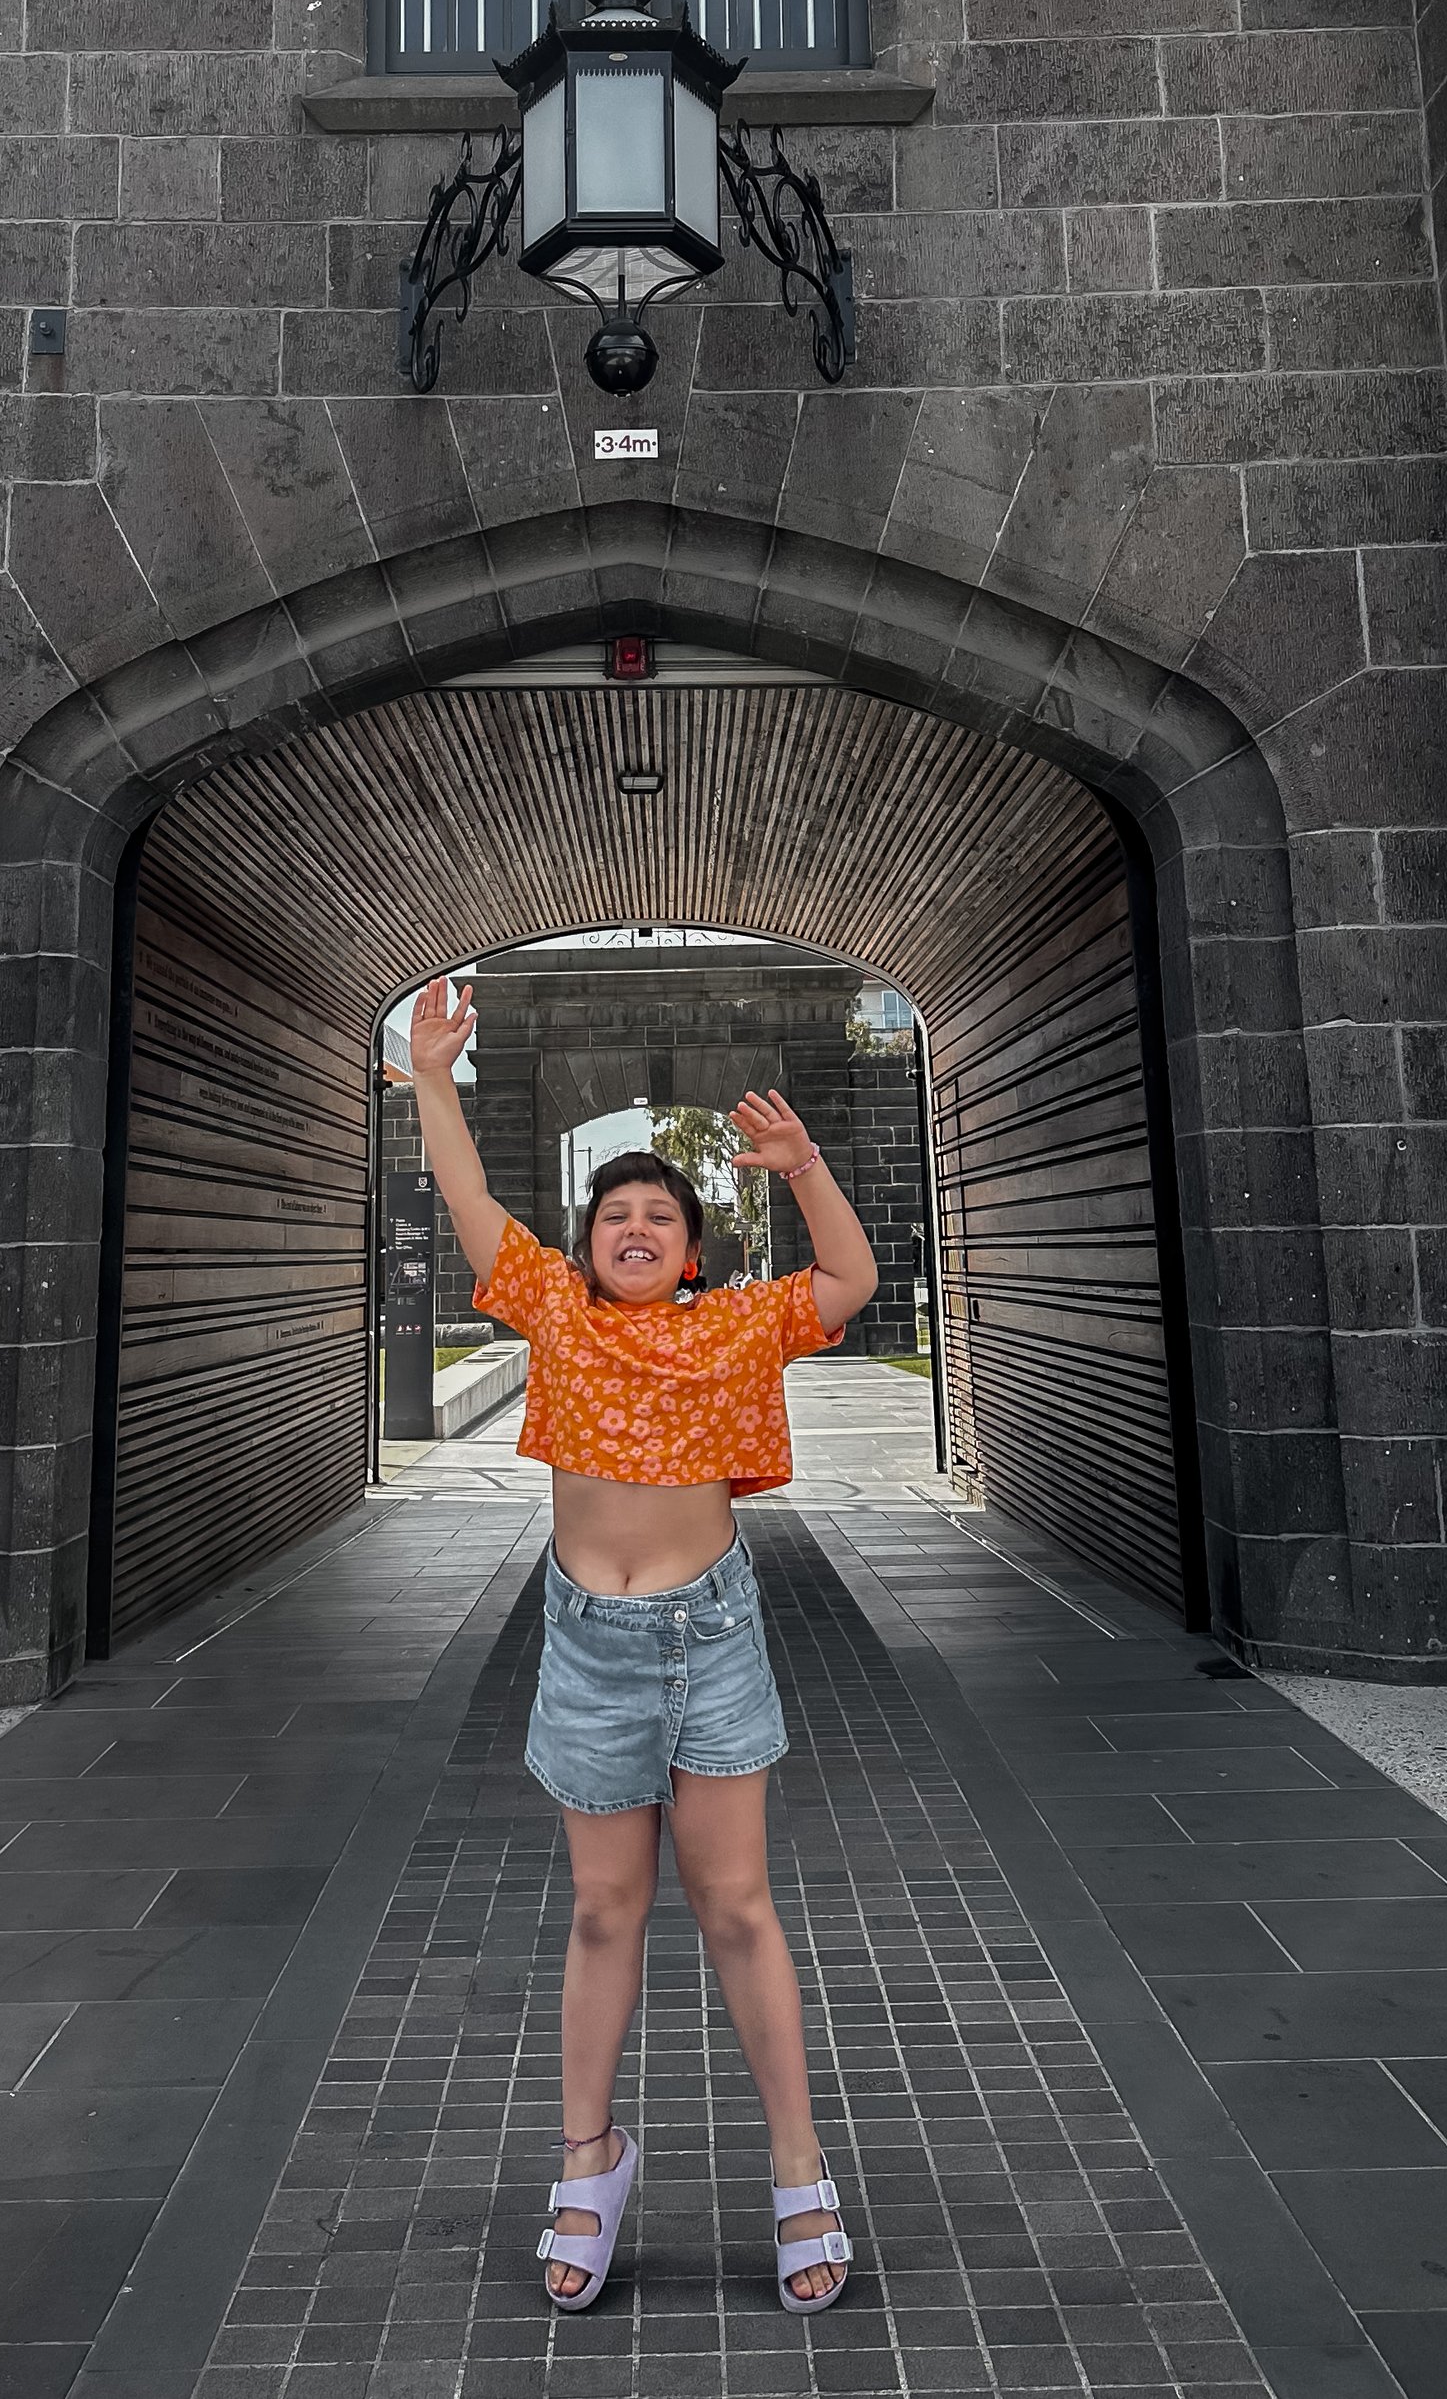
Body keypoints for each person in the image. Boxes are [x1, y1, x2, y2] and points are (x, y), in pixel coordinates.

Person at [404, 966, 880, 2316]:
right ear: (589, 1239)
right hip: (592, 1645)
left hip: (711, 1638)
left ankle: (798, 2169)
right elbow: (474, 1209)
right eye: (612, 1211)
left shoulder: (736, 1325)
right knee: (607, 1907)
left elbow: (849, 1274)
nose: (632, 1225)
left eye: (657, 1212)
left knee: (736, 1905)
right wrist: (437, 1080)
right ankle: (587, 2158)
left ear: (691, 1245)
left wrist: (801, 1163)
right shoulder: (553, 1311)